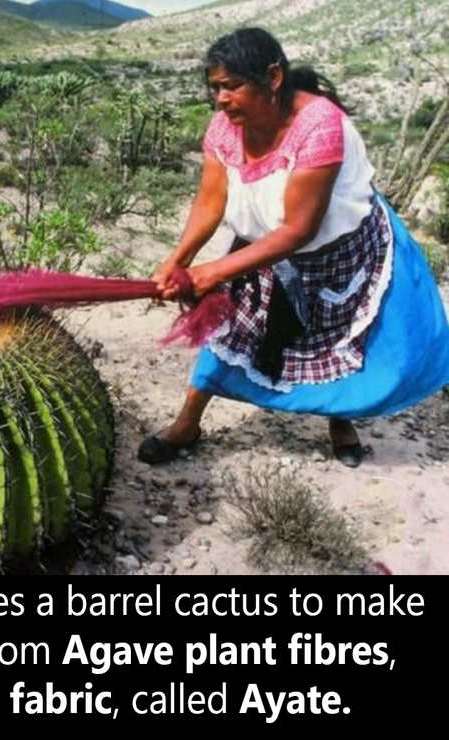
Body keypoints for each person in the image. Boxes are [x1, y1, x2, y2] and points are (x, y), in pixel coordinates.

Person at [138, 27, 449, 468]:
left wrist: (214, 272)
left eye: (233, 86)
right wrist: (178, 260)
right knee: (230, 331)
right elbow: (211, 201)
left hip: (335, 252)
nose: (221, 99)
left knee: (336, 337)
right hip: (264, 245)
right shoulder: (226, 126)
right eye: (215, 88)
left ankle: (340, 420)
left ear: (273, 78)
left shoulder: (319, 127)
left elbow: (299, 229)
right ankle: (187, 423)